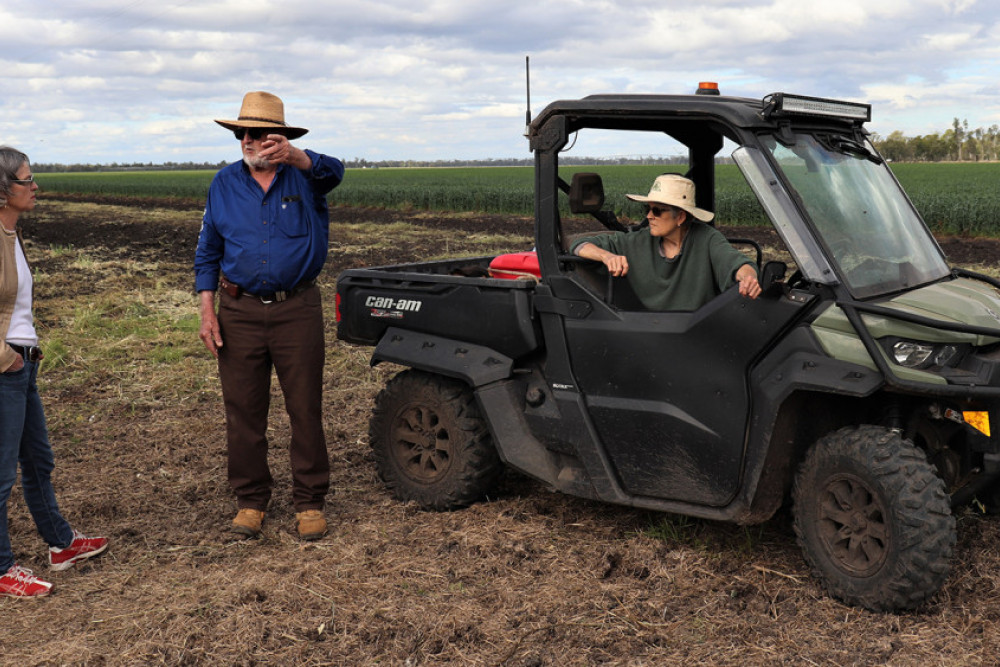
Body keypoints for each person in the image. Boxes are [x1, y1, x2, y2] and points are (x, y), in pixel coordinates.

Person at [194, 92, 345, 541]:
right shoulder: (223, 184)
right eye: (243, 133)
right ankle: (251, 500)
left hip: (296, 308)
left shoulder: (307, 178)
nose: (250, 140)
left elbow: (335, 170)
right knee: (242, 409)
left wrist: (298, 156)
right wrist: (207, 309)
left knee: (304, 407)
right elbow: (208, 251)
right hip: (236, 310)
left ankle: (310, 501)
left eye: (260, 133)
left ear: (280, 137)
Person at [0, 147, 108, 598]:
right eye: (27, 180)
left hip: (23, 365)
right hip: (6, 368)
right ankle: (2, 567)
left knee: (38, 461)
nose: (35, 186)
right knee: (1, 473)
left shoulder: (11, 233)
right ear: (3, 190)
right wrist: (6, 358)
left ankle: (61, 544)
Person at [571, 173, 761, 310]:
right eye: (647, 209)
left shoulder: (706, 238)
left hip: (700, 330)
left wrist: (748, 279)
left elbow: (737, 264)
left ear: (680, 217)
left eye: (657, 210)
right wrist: (606, 256)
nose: (649, 216)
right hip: (655, 332)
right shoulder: (638, 241)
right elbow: (579, 245)